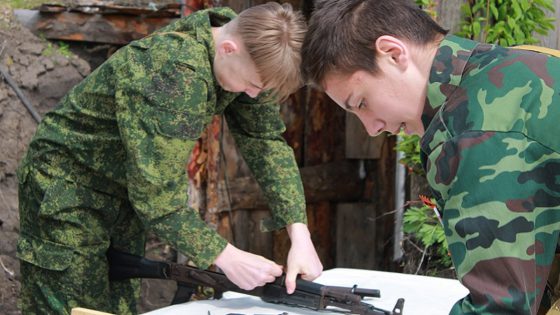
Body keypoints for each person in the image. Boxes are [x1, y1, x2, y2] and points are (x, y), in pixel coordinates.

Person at [17, 2, 323, 314]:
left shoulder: (242, 49)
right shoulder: (175, 73)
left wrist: (299, 233)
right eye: (253, 84)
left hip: (121, 190)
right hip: (68, 186)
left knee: (115, 305)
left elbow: (264, 139)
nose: (254, 95)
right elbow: (157, 197)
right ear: (229, 49)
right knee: (72, 305)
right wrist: (227, 257)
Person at [301, 0, 560, 314]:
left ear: (394, 54)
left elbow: (501, 308)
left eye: (362, 102)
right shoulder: (522, 63)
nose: (371, 128)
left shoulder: (477, 131)